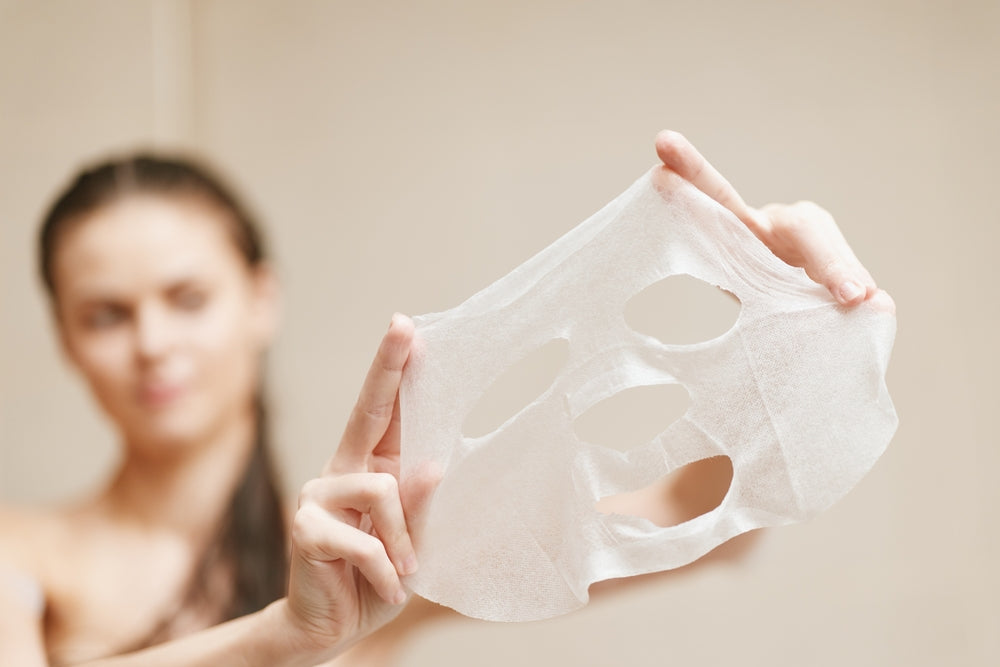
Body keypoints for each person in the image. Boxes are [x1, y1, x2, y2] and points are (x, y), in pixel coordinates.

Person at [0, 130, 888, 666]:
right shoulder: (17, 553)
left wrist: (772, 324)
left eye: (187, 299)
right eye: (106, 314)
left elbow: (688, 518)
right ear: (65, 337)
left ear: (260, 299)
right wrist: (286, 638)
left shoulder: (384, 550)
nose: (153, 343)